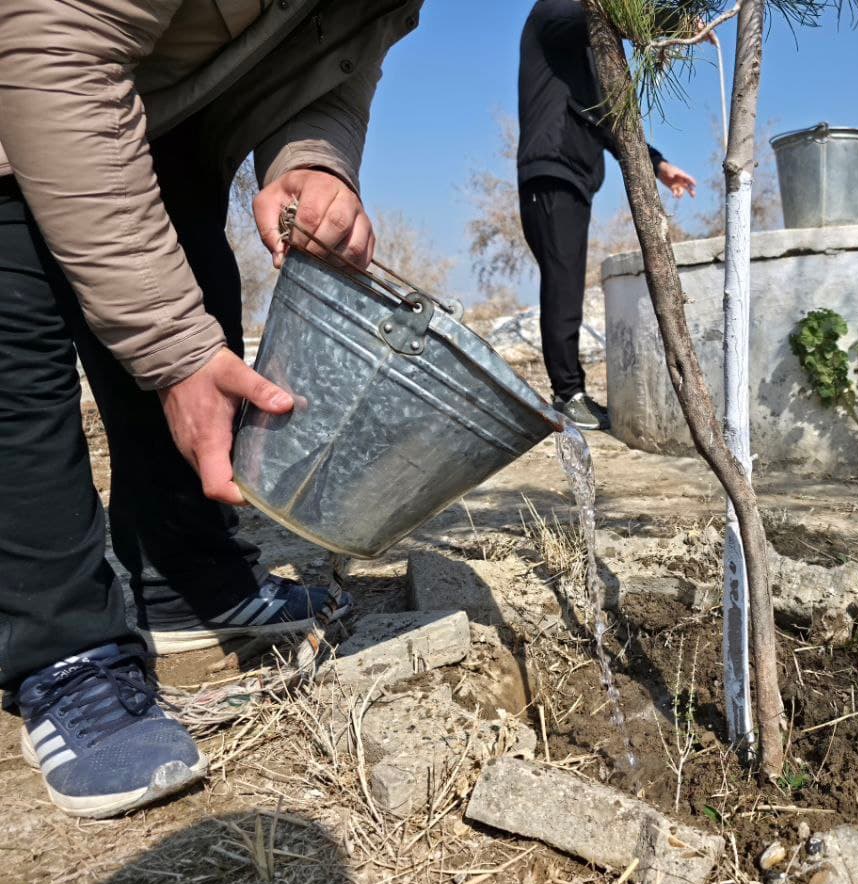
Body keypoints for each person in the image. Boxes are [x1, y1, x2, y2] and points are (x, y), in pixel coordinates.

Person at [0, 0, 422, 818]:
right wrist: (171, 351)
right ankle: (62, 648)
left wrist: (314, 162)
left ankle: (184, 582)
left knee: (194, 285)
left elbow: (332, 54)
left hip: (157, 114)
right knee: (16, 354)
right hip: (29, 72)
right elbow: (48, 46)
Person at [518, 0, 699, 431]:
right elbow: (595, 15)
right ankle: (568, 394)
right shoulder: (550, 16)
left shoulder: (585, 61)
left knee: (566, 282)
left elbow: (608, 122)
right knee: (562, 284)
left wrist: (658, 165)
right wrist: (671, 19)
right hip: (551, 171)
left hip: (572, 177)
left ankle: (569, 391)